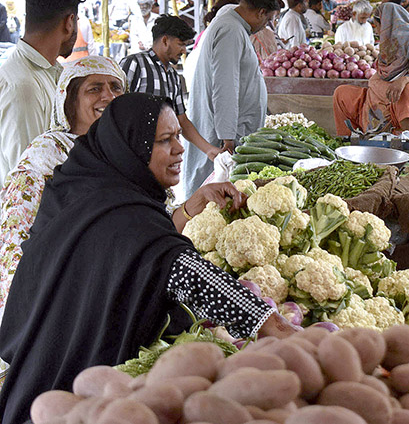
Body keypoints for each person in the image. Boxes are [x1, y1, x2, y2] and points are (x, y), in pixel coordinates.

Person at [0, 93, 297, 423]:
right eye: (164, 141)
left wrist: (187, 209)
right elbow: (176, 266)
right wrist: (268, 323)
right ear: (131, 149)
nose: (180, 149)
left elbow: (132, 250)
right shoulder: (127, 216)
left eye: (178, 137)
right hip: (83, 395)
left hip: (40, 373)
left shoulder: (80, 187)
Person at [0, 56, 126, 310]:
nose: (108, 96)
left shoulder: (125, 153)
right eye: (94, 88)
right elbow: (15, 235)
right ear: (69, 100)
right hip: (55, 294)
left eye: (116, 87)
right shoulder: (47, 154)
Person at [185, 0, 278, 194]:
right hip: (224, 133)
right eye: (268, 20)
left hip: (229, 127)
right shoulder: (231, 30)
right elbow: (225, 85)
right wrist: (227, 135)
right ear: (261, 12)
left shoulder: (232, 19)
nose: (266, 26)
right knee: (213, 186)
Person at [0, 0, 84, 182]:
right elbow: (28, 179)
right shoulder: (22, 87)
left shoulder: (51, 72)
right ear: (69, 22)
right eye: (77, 22)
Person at [333, 3, 409, 135]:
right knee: (342, 93)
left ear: (386, 24)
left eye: (378, 26)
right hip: (382, 99)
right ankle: (347, 141)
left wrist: (404, 80)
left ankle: (407, 141)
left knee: (407, 90)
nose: (376, 31)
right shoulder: (390, 44)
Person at [121, 15, 222, 164]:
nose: (183, 51)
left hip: (163, 156)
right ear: (165, 40)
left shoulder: (174, 76)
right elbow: (115, 108)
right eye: (181, 44)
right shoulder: (135, 64)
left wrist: (208, 149)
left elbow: (181, 119)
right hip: (134, 153)